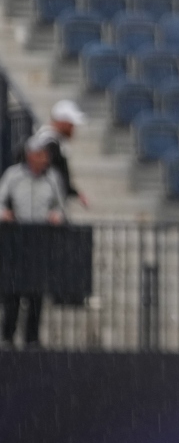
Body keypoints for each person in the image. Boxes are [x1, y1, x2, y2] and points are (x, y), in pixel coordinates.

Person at [0, 133, 68, 349]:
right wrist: (4, 213)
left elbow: (60, 206)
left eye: (45, 154)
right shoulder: (13, 175)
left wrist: (57, 216)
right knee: (13, 291)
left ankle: (32, 339)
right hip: (16, 240)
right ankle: (7, 337)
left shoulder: (53, 178)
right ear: (30, 155)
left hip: (40, 241)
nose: (44, 158)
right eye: (40, 154)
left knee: (36, 292)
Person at [17, 99, 90, 208]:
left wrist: (74, 193)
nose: (73, 129)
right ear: (63, 123)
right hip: (46, 207)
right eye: (71, 124)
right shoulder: (49, 144)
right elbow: (53, 176)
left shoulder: (50, 142)